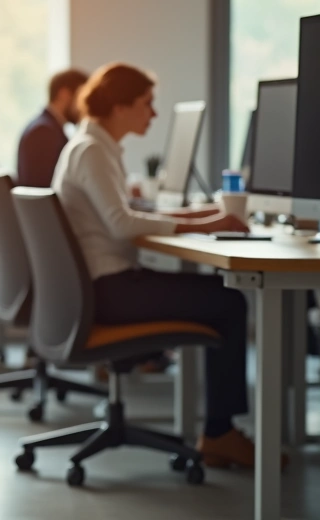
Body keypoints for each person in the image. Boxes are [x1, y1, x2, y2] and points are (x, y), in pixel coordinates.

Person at [53, 62, 274, 469]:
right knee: (228, 302)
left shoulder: (92, 146)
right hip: (111, 290)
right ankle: (220, 434)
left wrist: (201, 216)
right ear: (119, 107)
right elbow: (121, 225)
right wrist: (207, 219)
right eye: (146, 104)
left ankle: (218, 429)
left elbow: (119, 214)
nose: (153, 114)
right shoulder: (91, 151)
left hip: (101, 286)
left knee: (218, 296)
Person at [17, 68, 87, 188]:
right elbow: (44, 188)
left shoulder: (44, 126)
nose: (84, 107)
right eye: (81, 99)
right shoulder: (44, 132)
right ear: (64, 94)